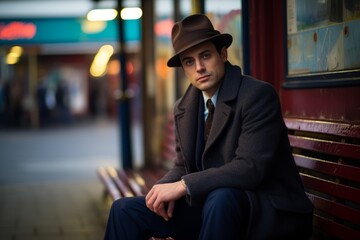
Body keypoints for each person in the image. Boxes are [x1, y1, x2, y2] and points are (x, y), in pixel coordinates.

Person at [104, 14, 313, 240]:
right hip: (213, 208)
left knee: (221, 198)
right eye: (189, 62)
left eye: (205, 55)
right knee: (124, 210)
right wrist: (160, 191)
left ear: (222, 54)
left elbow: (250, 168)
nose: (199, 67)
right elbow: (183, 166)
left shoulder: (257, 95)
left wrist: (184, 185)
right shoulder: (184, 107)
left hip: (267, 210)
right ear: (184, 69)